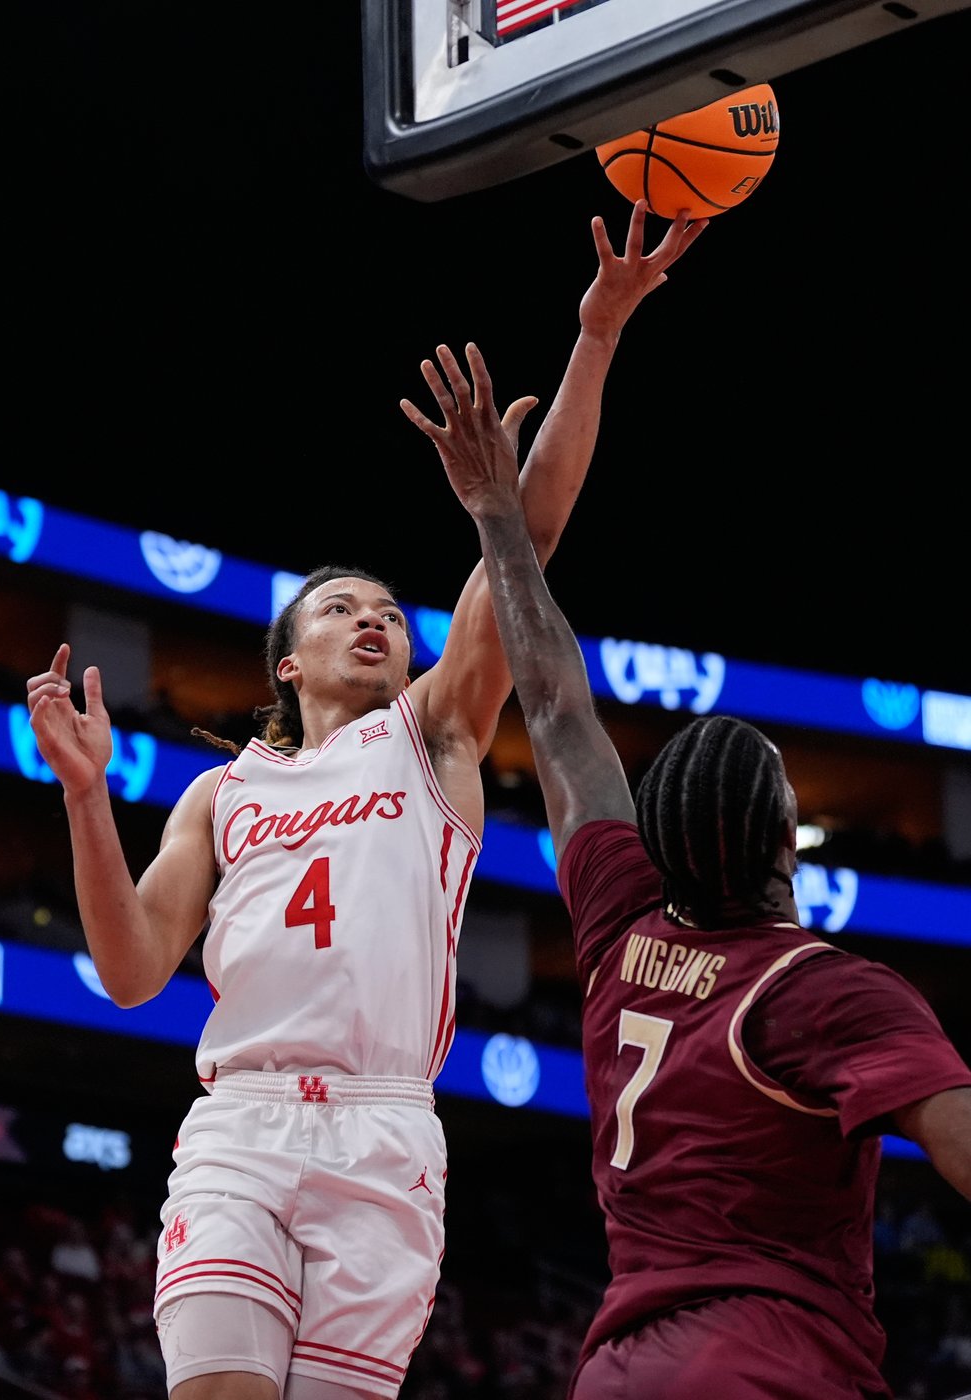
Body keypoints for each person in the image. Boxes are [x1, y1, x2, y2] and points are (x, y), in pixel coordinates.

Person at [24, 196, 708, 1400]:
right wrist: (86, 796)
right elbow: (131, 971)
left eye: (388, 606)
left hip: (385, 1131)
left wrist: (596, 333)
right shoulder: (220, 792)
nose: (374, 616)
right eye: (341, 606)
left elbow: (529, 536)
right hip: (238, 1124)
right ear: (285, 660)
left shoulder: (434, 728)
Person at [405, 335, 971, 1400]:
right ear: (780, 841)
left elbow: (557, 704)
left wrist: (492, 510)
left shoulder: (623, 923)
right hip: (771, 1366)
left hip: (617, 1367)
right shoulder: (828, 993)